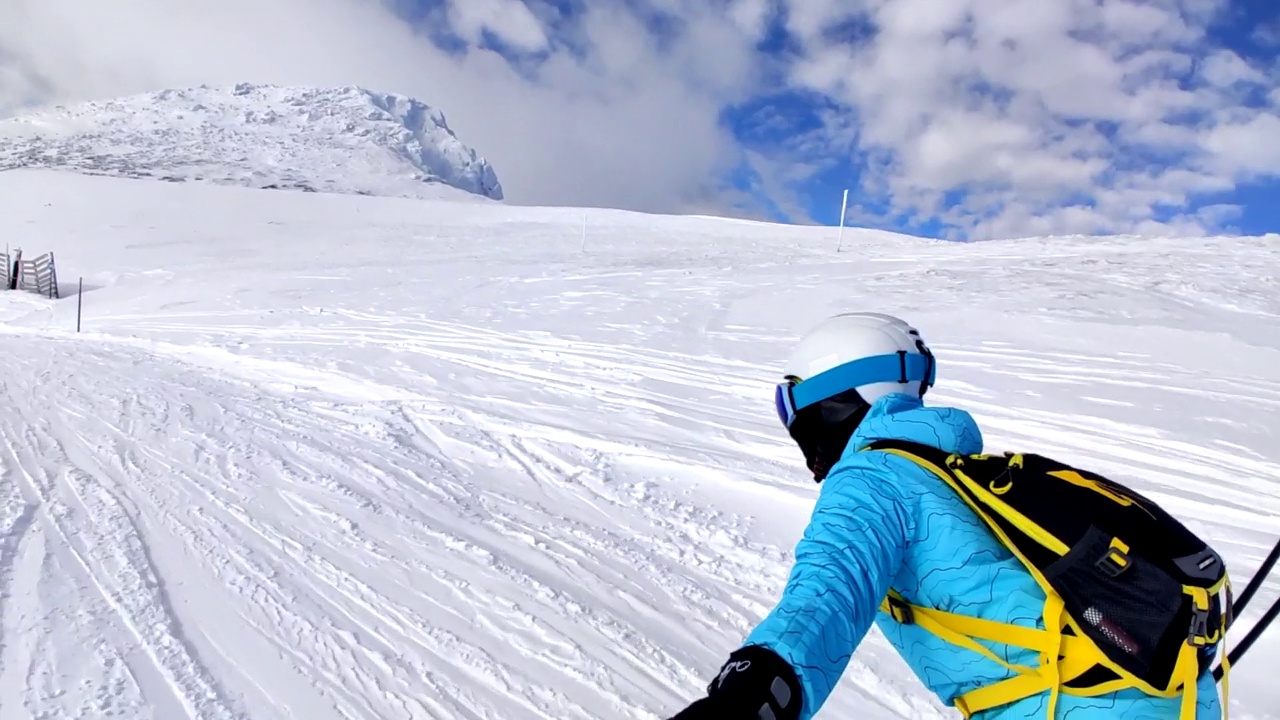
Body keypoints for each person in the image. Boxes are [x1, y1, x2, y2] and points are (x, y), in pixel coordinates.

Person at [666, 312, 1222, 720]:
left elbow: (825, 598)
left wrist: (747, 700)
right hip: (1174, 697)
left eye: (796, 412)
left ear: (835, 400)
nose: (800, 438)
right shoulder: (954, 468)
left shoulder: (873, 477)